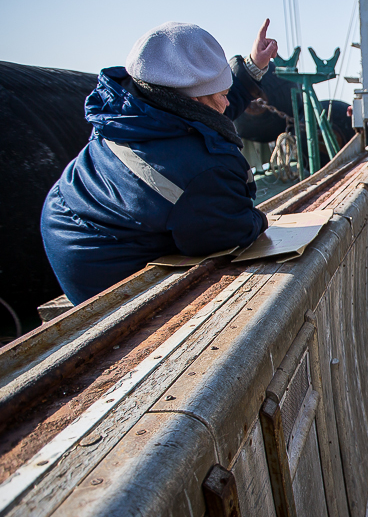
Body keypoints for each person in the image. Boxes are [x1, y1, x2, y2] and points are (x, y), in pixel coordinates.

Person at [40, 20, 279, 305]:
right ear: (196, 98)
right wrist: (260, 219)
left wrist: (252, 66)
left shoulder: (141, 106)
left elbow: (207, 113)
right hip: (102, 264)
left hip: (76, 217)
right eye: (223, 95)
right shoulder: (198, 170)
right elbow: (226, 231)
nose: (228, 104)